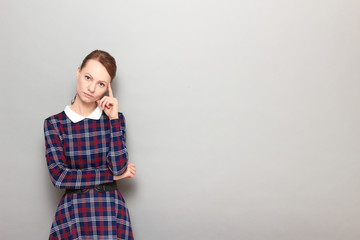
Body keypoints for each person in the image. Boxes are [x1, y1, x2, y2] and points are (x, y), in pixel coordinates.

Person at [43, 50, 136, 240]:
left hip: (111, 211)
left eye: (101, 83)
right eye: (88, 77)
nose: (91, 88)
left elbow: (119, 166)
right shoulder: (54, 124)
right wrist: (110, 175)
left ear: (107, 88)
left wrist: (114, 119)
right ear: (78, 72)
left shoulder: (115, 120)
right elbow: (59, 177)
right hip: (74, 214)